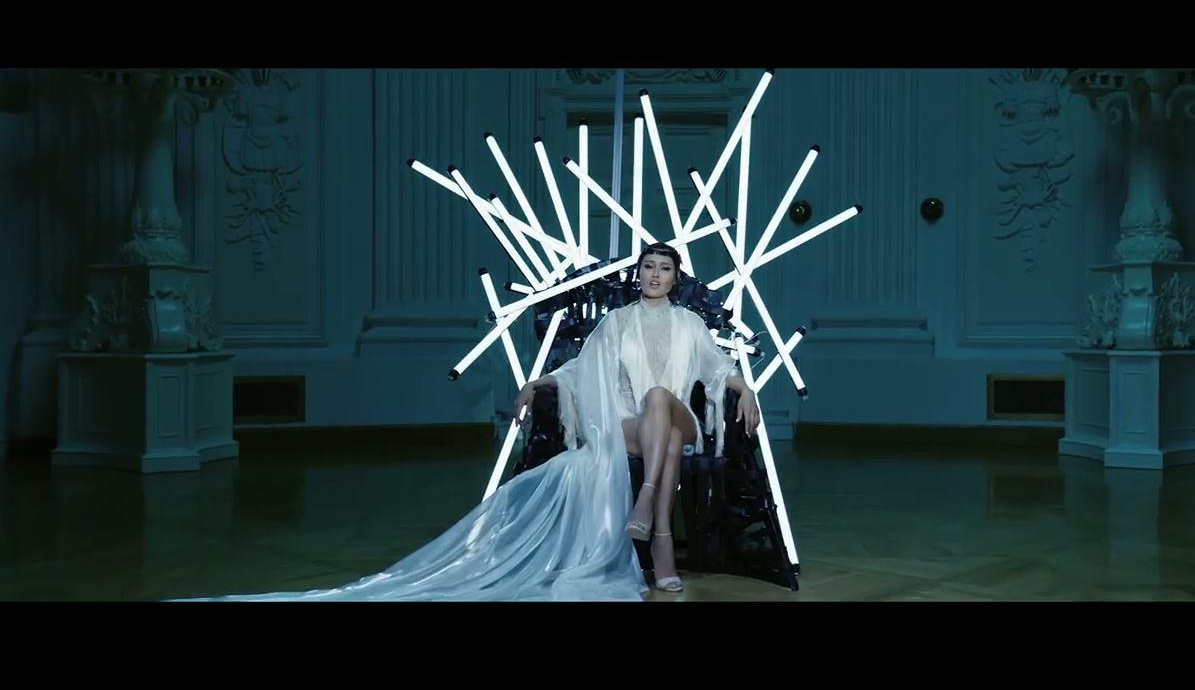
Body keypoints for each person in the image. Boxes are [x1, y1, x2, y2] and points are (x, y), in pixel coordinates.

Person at [172, 242, 760, 602]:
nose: (654, 274)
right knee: (653, 424)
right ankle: (660, 539)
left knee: (661, 400)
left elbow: (722, 370)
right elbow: (581, 369)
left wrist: (747, 391)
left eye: (664, 268)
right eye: (648, 266)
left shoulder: (691, 325)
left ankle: (646, 506)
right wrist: (541, 383)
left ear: (676, 277)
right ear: (640, 274)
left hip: (681, 420)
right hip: (642, 430)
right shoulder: (616, 323)